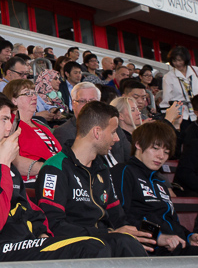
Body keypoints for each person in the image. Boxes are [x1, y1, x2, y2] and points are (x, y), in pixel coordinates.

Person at [0, 88, 110, 263]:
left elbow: (31, 211)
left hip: (24, 247)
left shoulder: (3, 165)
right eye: (4, 119)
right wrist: (3, 164)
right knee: (91, 247)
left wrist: (42, 234)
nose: (10, 127)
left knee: (119, 242)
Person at [35, 101, 154, 256]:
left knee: (133, 242)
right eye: (113, 132)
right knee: (122, 243)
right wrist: (109, 234)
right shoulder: (55, 168)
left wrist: (134, 234)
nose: (117, 138)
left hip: (104, 244)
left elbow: (118, 217)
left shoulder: (102, 170)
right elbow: (53, 225)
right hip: (75, 248)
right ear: (97, 132)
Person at [112, 121, 198, 256]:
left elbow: (170, 222)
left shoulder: (160, 182)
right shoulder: (124, 172)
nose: (161, 156)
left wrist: (189, 236)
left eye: (166, 152)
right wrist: (157, 236)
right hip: (150, 250)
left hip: (176, 248)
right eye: (156, 148)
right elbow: (121, 218)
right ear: (138, 144)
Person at [3, 79, 61, 182]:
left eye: (34, 93)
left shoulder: (40, 125)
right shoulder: (9, 124)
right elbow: (15, 162)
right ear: (14, 100)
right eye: (27, 93)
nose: (34, 97)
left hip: (56, 176)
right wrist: (53, 169)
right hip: (34, 181)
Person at [53, 82, 101, 147]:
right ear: (73, 104)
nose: (87, 105)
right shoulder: (63, 133)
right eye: (82, 101)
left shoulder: (109, 126)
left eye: (92, 101)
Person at [161, 46, 198, 130]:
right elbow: (166, 99)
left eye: (180, 60)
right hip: (182, 115)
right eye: (174, 61)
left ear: (186, 59)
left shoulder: (196, 71)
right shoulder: (168, 77)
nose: (177, 63)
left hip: (197, 112)